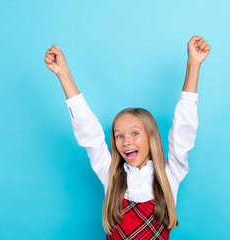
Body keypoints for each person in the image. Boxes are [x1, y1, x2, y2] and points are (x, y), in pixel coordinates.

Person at [44, 36, 210, 239]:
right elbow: (90, 136)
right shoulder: (111, 174)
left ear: (151, 138)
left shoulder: (169, 175)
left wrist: (193, 65)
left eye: (134, 133)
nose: (126, 141)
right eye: (118, 136)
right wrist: (63, 74)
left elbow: (183, 130)